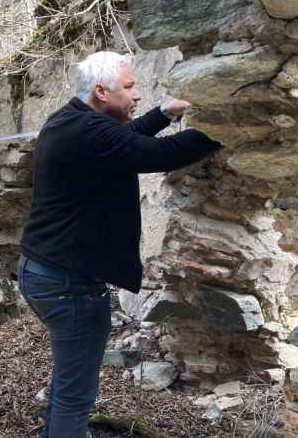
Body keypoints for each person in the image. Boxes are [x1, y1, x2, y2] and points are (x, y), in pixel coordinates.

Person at [18, 52, 222, 438]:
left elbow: (124, 139)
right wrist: (224, 125)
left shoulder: (73, 119)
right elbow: (160, 153)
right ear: (100, 91)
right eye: (129, 88)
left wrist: (163, 113)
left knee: (70, 380)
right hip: (67, 285)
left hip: (49, 273)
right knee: (76, 394)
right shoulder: (89, 132)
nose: (137, 95)